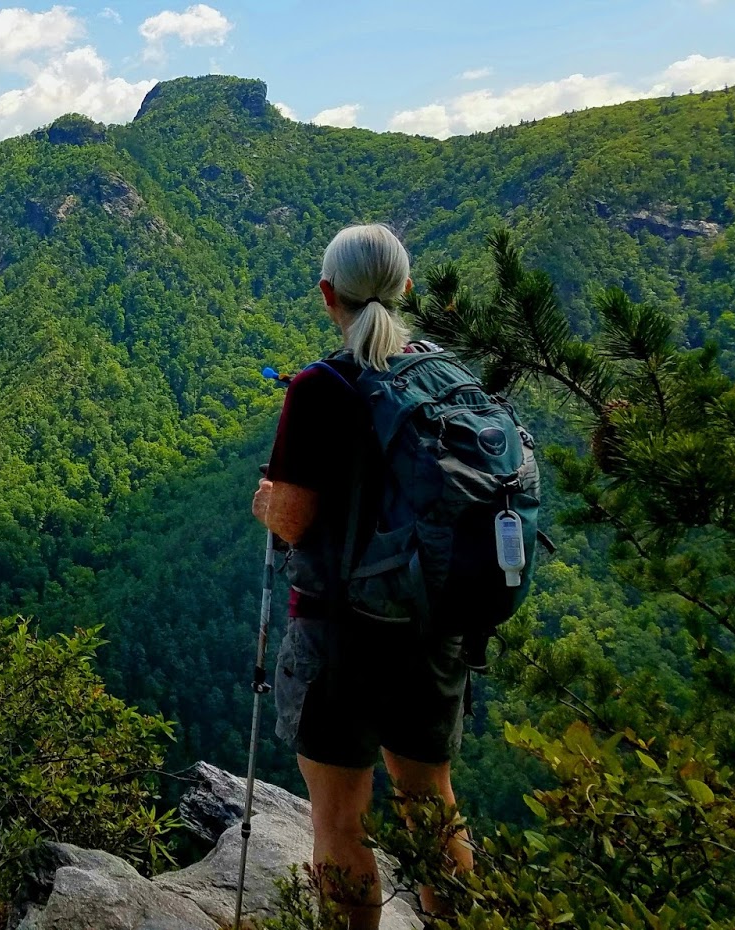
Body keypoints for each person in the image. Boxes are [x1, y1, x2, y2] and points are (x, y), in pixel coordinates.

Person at [250, 223, 474, 929]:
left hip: (341, 635)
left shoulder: (320, 386)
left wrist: (263, 500)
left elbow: (290, 518)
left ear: (328, 295)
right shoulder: (446, 374)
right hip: (435, 626)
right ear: (406, 289)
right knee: (431, 803)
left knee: (340, 816)